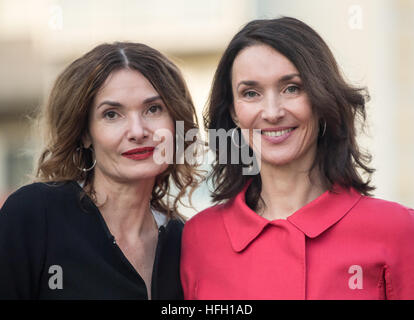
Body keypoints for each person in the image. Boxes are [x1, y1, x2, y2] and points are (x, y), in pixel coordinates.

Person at [180, 17, 414, 299]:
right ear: (232, 112)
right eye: (251, 93)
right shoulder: (199, 238)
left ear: (321, 97)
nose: (272, 112)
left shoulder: (398, 230)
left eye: (291, 88)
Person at [0, 42, 200, 299]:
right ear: (85, 134)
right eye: (112, 114)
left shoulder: (185, 242)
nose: (138, 131)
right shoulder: (34, 215)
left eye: (153, 109)